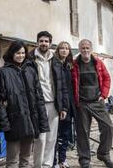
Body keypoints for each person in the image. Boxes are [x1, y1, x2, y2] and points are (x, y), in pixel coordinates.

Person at [0, 40, 50, 168]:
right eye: (18, 53)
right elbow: (0, 101)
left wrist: (41, 119)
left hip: (30, 121)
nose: (20, 56)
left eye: (23, 53)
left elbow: (39, 96)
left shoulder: (30, 70)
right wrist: (5, 124)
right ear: (12, 54)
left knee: (26, 159)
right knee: (12, 161)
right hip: (14, 121)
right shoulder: (3, 72)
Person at [71, 39, 113, 168]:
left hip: (97, 101)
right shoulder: (74, 64)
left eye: (87, 48)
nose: (85, 50)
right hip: (82, 104)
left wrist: (104, 95)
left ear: (91, 49)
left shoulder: (98, 63)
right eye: (83, 48)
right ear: (79, 49)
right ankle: (84, 160)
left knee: (108, 127)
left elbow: (107, 78)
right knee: (83, 132)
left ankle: (103, 153)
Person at [29, 31, 69, 168]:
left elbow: (62, 85)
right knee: (40, 139)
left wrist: (64, 107)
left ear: (50, 43)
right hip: (38, 104)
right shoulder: (30, 59)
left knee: (52, 138)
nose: (44, 43)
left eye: (46, 41)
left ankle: (47, 165)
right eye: (41, 41)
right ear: (37, 42)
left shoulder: (56, 60)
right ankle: (38, 166)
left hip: (54, 104)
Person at [53, 41, 76, 168]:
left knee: (65, 134)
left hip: (69, 105)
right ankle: (54, 161)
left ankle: (62, 159)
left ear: (69, 51)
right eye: (62, 48)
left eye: (66, 48)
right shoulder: (54, 64)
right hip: (59, 105)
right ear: (58, 50)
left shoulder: (69, 66)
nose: (64, 50)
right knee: (55, 135)